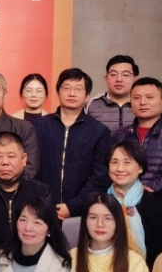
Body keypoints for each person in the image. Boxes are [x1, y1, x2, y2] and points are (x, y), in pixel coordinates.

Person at [33, 67, 111, 223]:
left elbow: (100, 177)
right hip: (42, 209)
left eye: (78, 89)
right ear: (58, 92)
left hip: (82, 213)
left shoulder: (100, 132)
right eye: (66, 88)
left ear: (87, 96)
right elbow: (31, 169)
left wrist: (73, 206)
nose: (72, 93)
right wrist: (43, 202)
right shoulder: (38, 126)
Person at [0, 131, 51, 251]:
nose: (5, 162)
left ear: (24, 159)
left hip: (31, 258)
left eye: (11, 156)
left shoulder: (41, 192)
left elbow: (51, 234)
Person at [111, 78, 162, 192]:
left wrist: (146, 190)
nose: (142, 102)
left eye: (149, 97)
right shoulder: (119, 135)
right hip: (123, 196)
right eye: (137, 98)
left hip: (160, 198)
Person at [105, 140, 162, 268]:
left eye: (127, 162)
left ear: (140, 168)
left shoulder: (156, 206)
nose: (120, 168)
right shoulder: (101, 203)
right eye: (114, 162)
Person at [86, 55, 137, 133]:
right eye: (113, 74)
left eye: (125, 75)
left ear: (135, 79)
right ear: (106, 78)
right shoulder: (91, 104)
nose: (119, 79)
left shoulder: (142, 104)